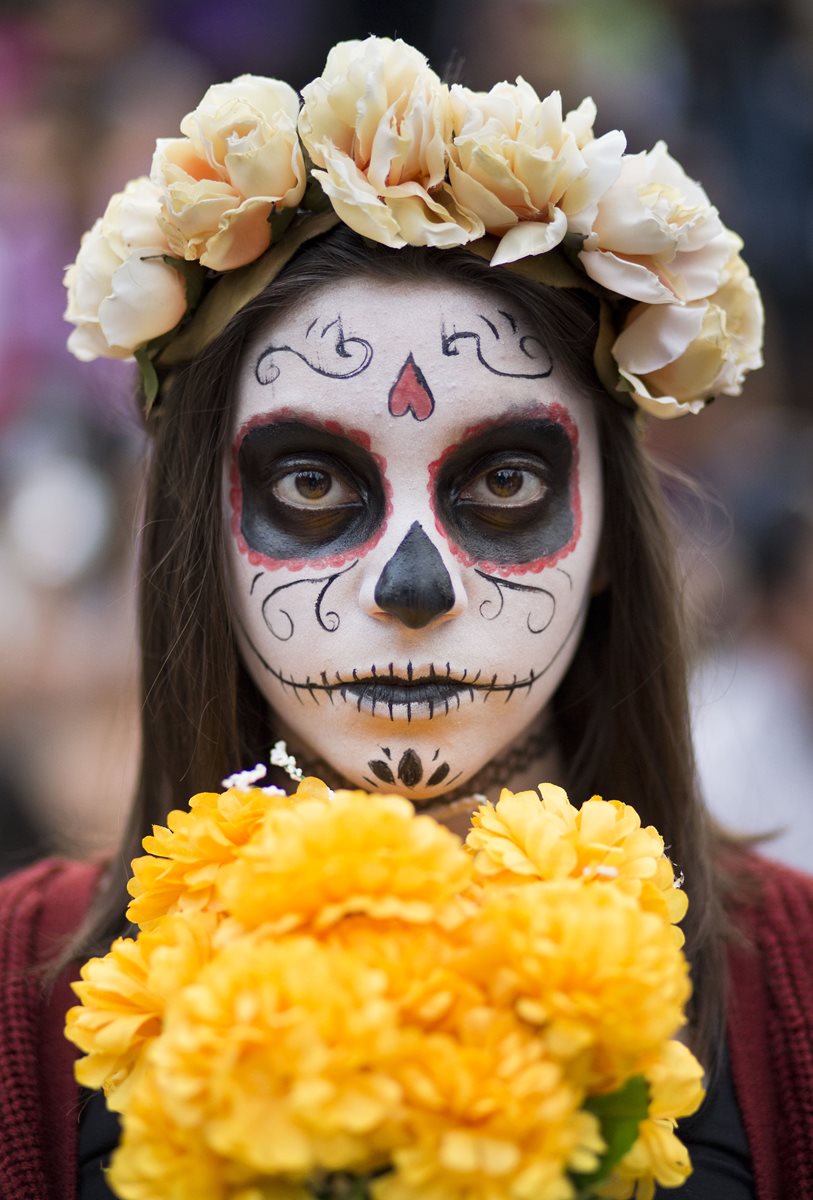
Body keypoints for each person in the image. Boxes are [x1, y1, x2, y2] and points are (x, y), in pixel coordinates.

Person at [1, 35, 810, 1200]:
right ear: (202, 543)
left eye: (506, 483)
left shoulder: (799, 985)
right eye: (314, 485)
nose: (412, 587)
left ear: (610, 548)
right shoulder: (15, 999)